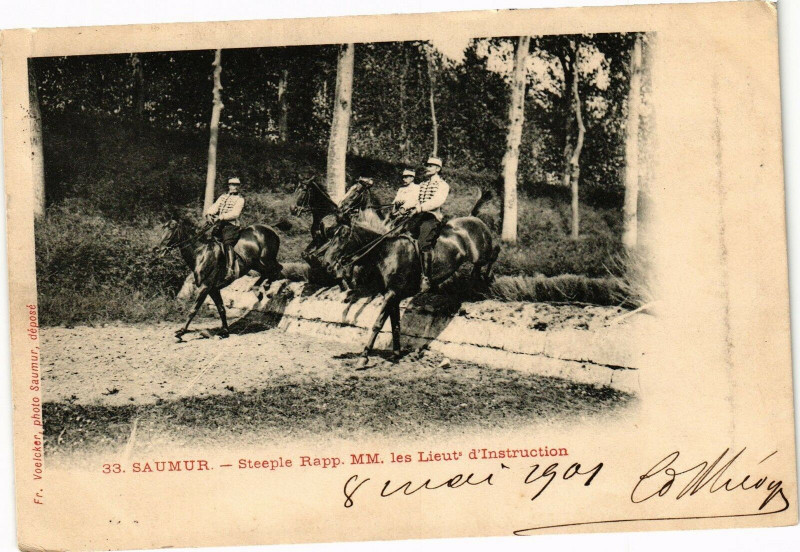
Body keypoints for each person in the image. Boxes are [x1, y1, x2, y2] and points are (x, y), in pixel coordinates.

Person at [407, 157, 449, 292]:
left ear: (438, 169)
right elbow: (414, 199)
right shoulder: (422, 184)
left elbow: (437, 201)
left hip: (432, 217)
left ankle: (426, 277)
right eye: (427, 165)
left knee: (423, 243)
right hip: (418, 215)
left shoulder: (442, 185)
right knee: (403, 236)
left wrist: (420, 208)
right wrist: (404, 208)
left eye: (431, 166)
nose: (428, 168)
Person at [205, 177, 245, 280]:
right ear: (229, 186)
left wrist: (221, 217)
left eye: (236, 185)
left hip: (232, 225)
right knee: (209, 240)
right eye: (232, 185)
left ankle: (230, 269)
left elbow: (235, 214)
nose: (234, 187)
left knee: (227, 243)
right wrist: (209, 213)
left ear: (239, 187)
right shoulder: (223, 197)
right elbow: (215, 206)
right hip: (220, 224)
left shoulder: (240, 199)